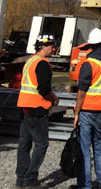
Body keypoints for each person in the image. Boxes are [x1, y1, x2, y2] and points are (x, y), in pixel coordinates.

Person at [73, 28, 101, 189]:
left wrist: (76, 112)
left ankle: (85, 186)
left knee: (85, 150)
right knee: (98, 146)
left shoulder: (89, 64)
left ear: (91, 45)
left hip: (86, 110)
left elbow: (82, 91)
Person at [15, 33, 59, 189]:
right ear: (44, 46)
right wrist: (53, 98)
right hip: (37, 108)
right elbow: (43, 88)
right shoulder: (42, 63)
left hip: (25, 107)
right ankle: (30, 180)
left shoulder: (30, 61)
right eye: (52, 46)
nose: (53, 49)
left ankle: (20, 180)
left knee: (24, 144)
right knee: (41, 144)